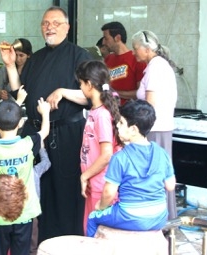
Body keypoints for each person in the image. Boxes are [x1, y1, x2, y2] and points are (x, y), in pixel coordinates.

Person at [0, 6, 93, 242]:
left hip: (67, 134)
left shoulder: (79, 56)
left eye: (55, 23)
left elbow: (92, 95)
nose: (49, 27)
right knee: (39, 192)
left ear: (67, 27)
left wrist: (64, 92)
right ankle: (43, 243)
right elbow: (19, 91)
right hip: (36, 134)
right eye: (45, 23)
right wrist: (11, 65)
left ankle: (69, 243)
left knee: (66, 192)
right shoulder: (36, 58)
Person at [86, 99, 176, 238]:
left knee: (92, 218)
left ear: (133, 129)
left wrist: (101, 207)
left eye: (121, 122)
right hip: (159, 216)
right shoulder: (162, 153)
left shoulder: (120, 157)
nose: (117, 124)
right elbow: (170, 186)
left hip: (129, 216)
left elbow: (109, 193)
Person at [0, 98, 50, 255]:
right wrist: (45, 113)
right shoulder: (28, 144)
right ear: (20, 123)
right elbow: (44, 132)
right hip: (24, 212)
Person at [70, 60, 122, 234]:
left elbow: (106, 155)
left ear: (89, 85)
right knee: (90, 230)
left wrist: (85, 176)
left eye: (81, 84)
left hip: (101, 185)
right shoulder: (95, 110)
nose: (80, 87)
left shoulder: (102, 115)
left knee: (98, 235)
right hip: (95, 183)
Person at [131, 30, 178, 219]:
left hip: (155, 129)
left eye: (135, 49)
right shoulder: (155, 66)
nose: (134, 53)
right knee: (159, 173)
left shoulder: (156, 67)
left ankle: (162, 218)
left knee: (157, 175)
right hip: (158, 128)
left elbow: (149, 106)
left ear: (147, 48)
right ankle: (161, 217)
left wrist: (136, 128)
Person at [101, 21, 146, 105]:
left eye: (106, 38)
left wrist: (114, 93)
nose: (103, 42)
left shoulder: (137, 60)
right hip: (110, 110)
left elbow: (141, 93)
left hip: (129, 112)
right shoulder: (108, 59)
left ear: (117, 38)